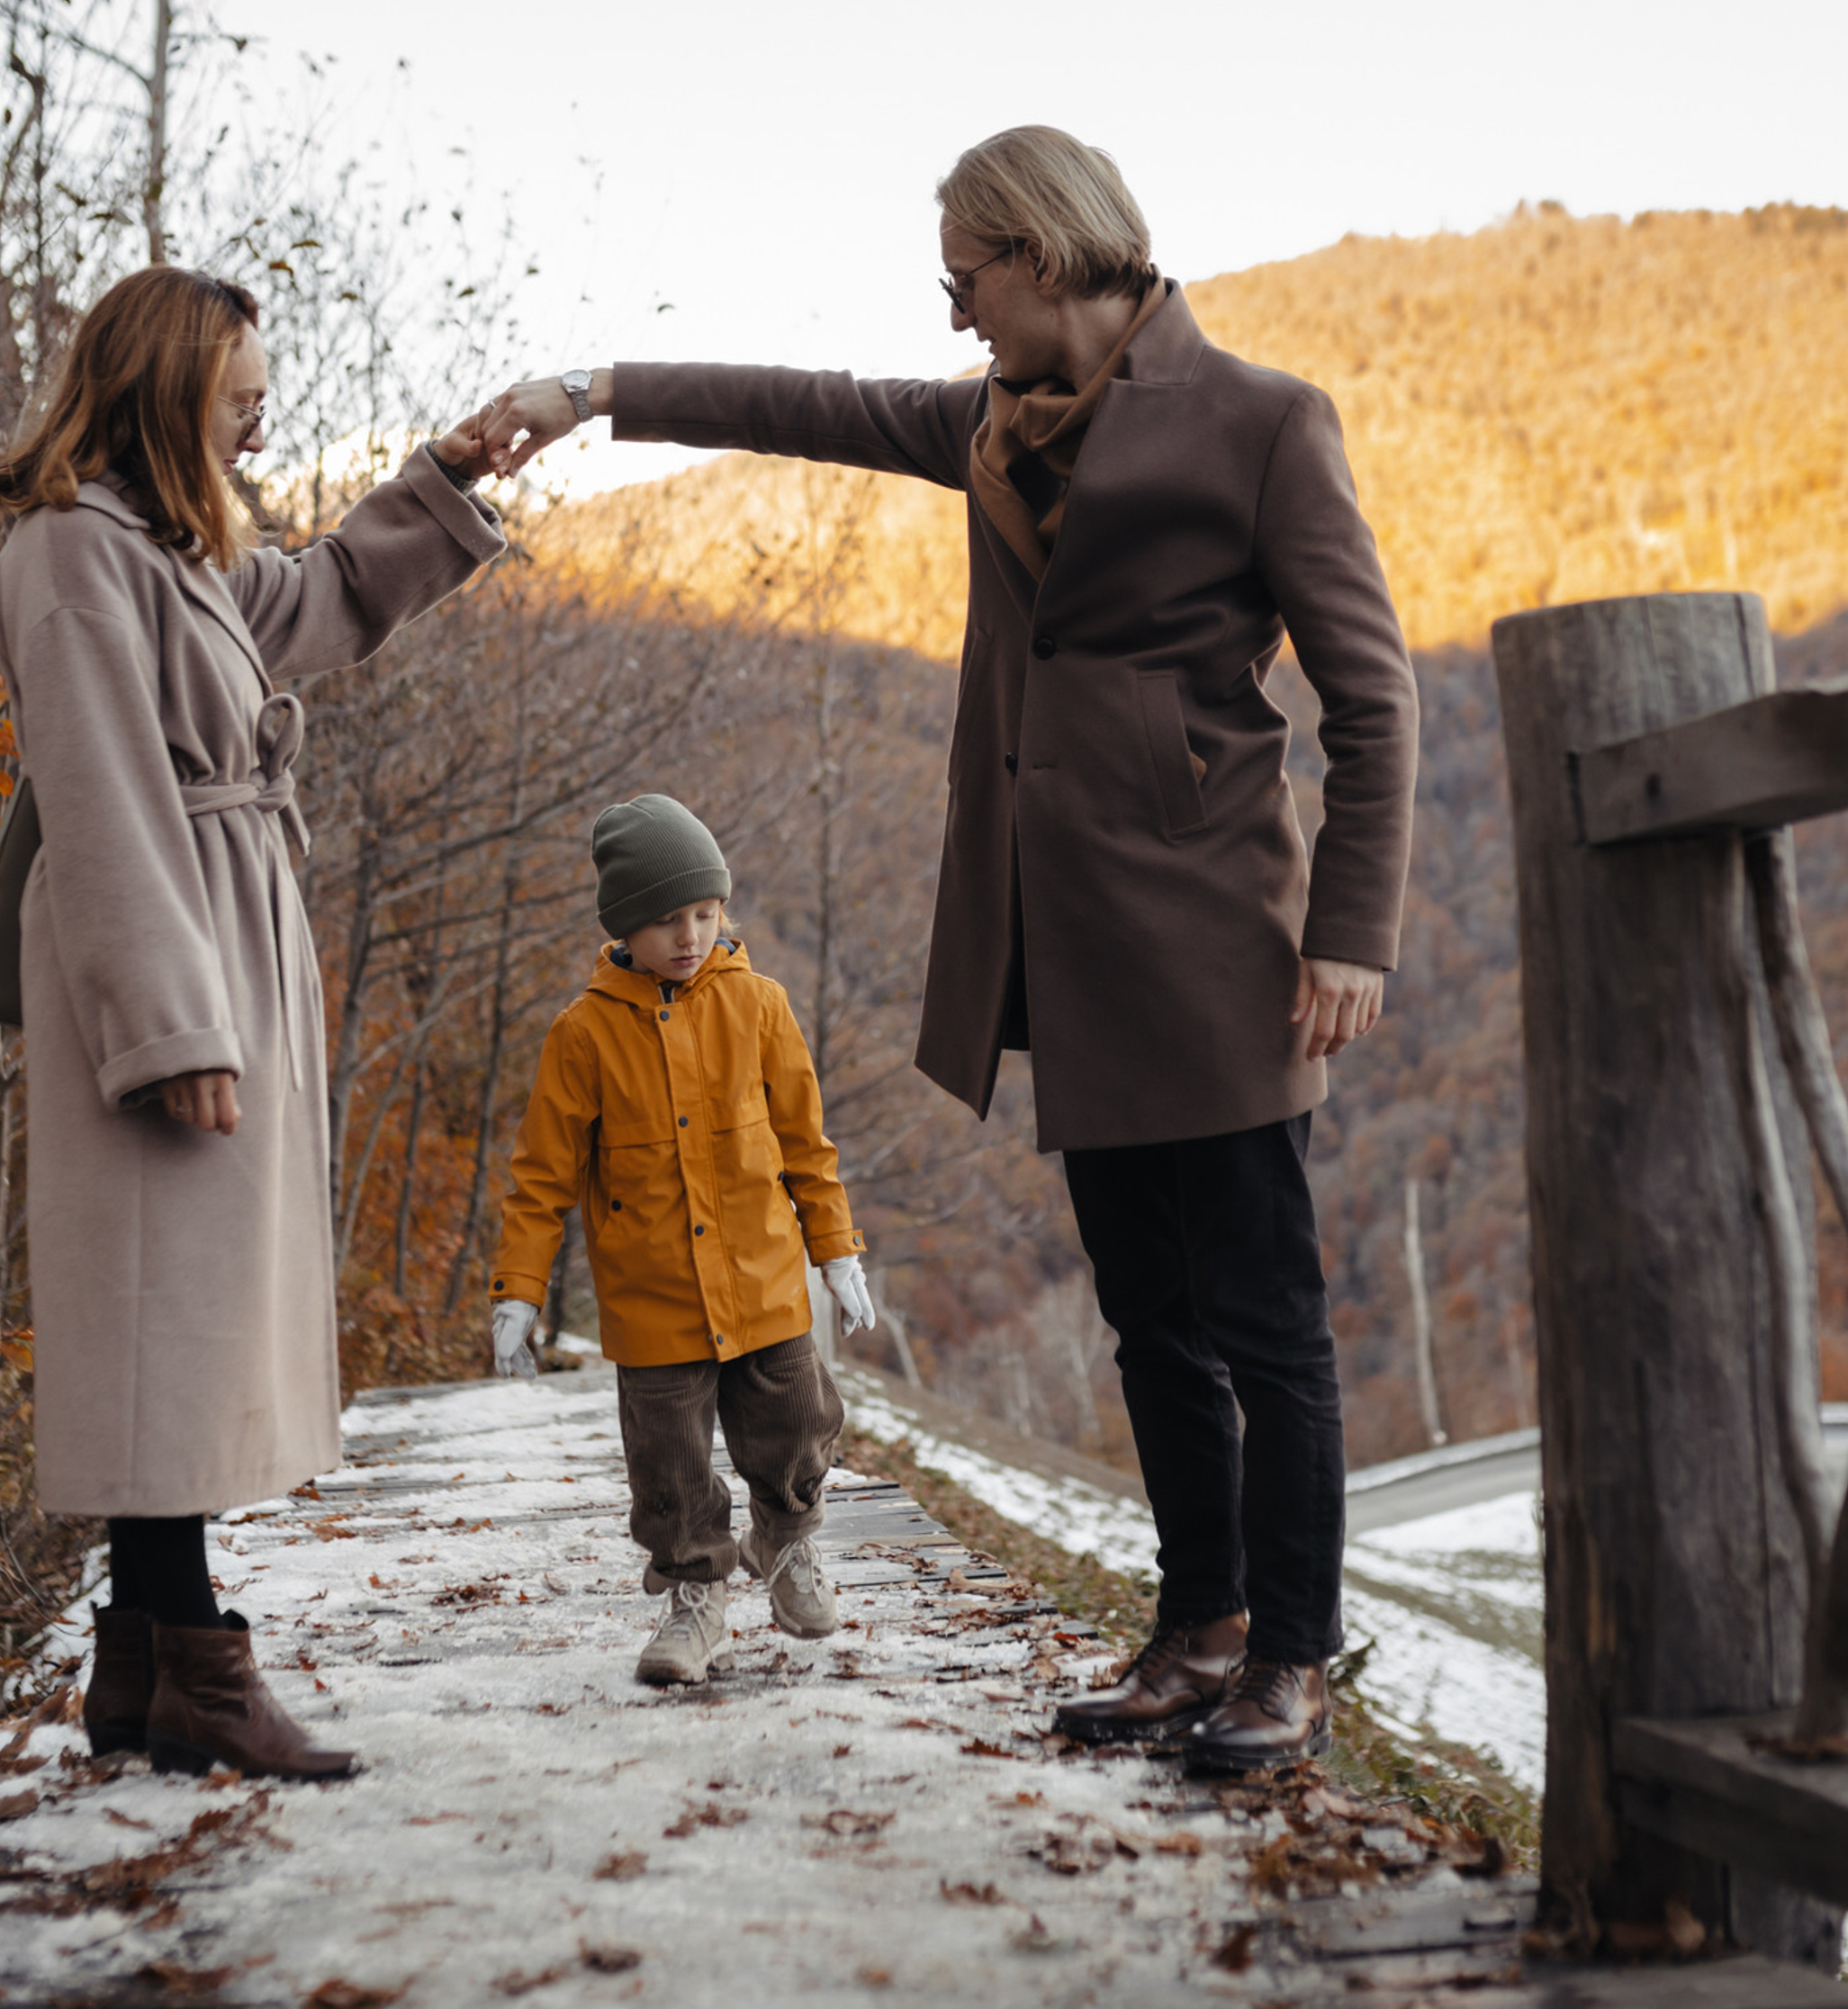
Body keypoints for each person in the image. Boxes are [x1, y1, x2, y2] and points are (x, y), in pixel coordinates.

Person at [478, 128, 1419, 1770]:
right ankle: (1195, 1631)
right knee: (1147, 1318)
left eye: (965, 276)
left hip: (1219, 942)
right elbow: (806, 405)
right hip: (1070, 955)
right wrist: (592, 387)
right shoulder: (990, 430)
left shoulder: (1264, 425)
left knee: (1267, 1320)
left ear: (1042, 255)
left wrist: (1355, 930)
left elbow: (1376, 694)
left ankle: (1292, 1655)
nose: (955, 310)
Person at [0, 266, 512, 1779]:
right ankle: (200, 1671)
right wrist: (169, 1028)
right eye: (240, 386)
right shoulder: (73, 553)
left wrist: (449, 480)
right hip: (162, 956)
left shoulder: (172, 549)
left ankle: (141, 1670)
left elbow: (329, 597)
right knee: (166, 1317)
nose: (263, 406)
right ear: (167, 385)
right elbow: (99, 802)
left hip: (225, 934)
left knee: (186, 1315)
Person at [486, 795, 873, 1685]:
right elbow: (540, 1177)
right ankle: (694, 1591)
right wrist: (518, 1290)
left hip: (765, 1287)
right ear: (624, 926)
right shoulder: (581, 1036)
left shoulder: (762, 1008)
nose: (690, 936)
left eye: (704, 914)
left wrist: (837, 1251)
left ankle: (784, 1539)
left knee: (794, 1426)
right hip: (652, 1301)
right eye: (666, 921)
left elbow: (807, 1148)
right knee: (666, 1463)